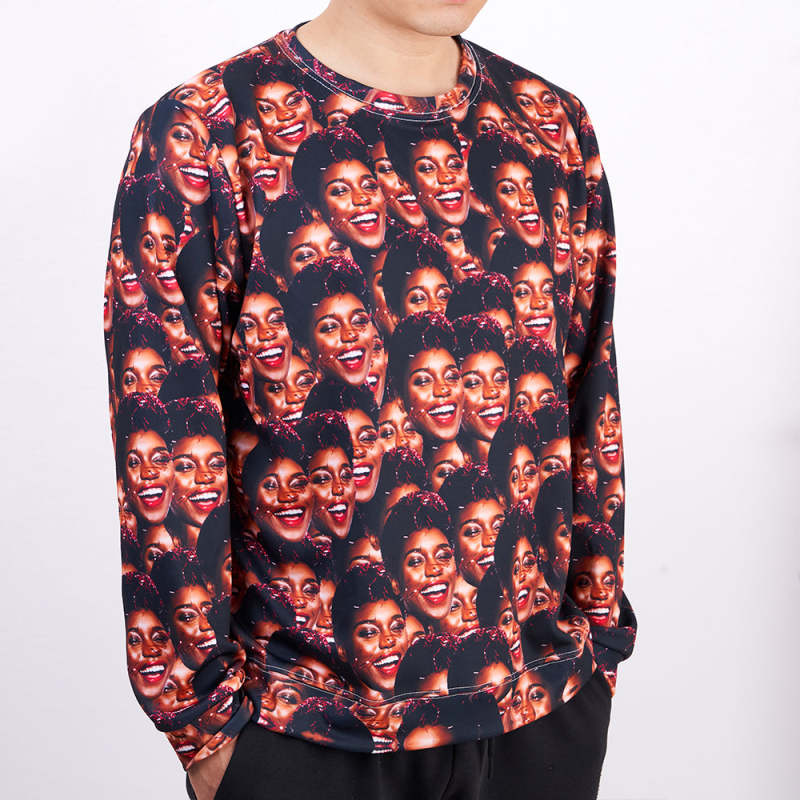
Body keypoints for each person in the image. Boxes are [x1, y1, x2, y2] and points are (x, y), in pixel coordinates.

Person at [102, 2, 637, 798]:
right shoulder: (209, 132)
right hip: (307, 733)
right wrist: (205, 727)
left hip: (542, 715)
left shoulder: (548, 127)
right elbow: (167, 438)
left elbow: (589, 399)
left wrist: (597, 647)